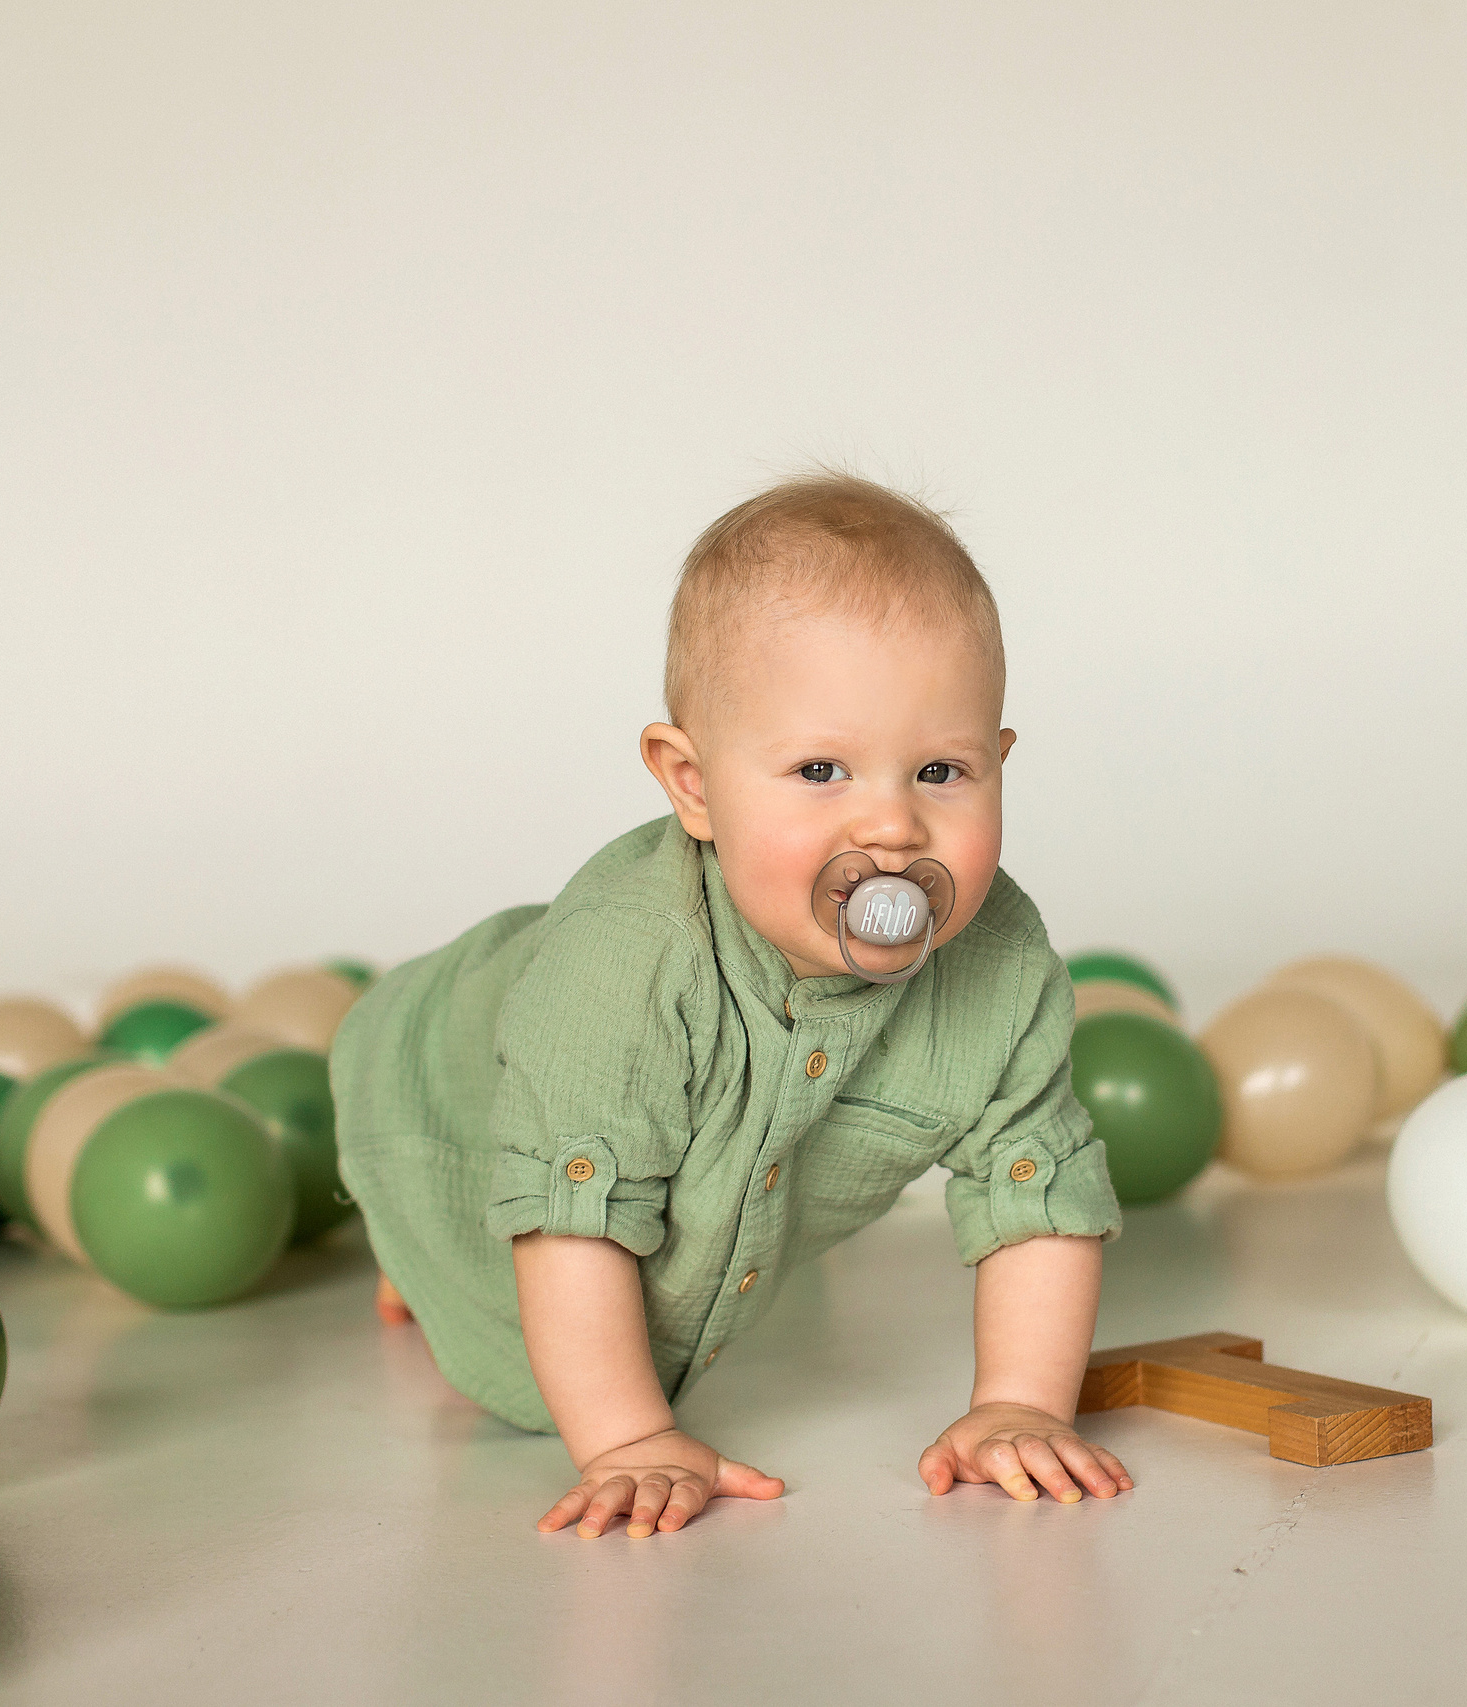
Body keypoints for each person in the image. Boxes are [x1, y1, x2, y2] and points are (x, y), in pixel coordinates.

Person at [331, 473, 1130, 1540]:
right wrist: (629, 1439)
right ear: (694, 784)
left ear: (999, 763)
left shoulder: (1003, 965)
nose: (892, 827)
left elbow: (1033, 1186)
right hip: (442, 1075)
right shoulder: (623, 966)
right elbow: (573, 1211)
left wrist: (1019, 1403)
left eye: (942, 770)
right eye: (821, 769)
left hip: (645, 1120)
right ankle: (406, 1248)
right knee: (467, 1247)